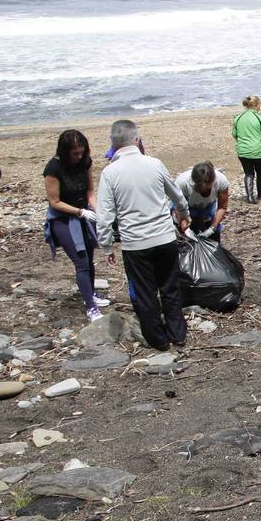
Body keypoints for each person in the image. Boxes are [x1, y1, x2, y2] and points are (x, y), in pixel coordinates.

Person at [97, 119, 191, 351]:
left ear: (113, 143)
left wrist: (106, 246)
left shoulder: (109, 173)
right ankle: (177, 333)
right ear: (137, 140)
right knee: (169, 286)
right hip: (163, 237)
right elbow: (177, 195)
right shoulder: (154, 163)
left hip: (135, 243)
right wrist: (184, 214)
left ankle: (159, 340)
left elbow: (105, 215)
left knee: (145, 292)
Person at [44, 129, 110, 321]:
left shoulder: (85, 163)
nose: (79, 156)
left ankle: (91, 294)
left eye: (81, 152)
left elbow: (90, 190)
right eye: (75, 153)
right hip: (63, 218)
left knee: (89, 258)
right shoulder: (53, 169)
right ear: (65, 152)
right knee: (81, 262)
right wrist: (79, 211)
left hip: (84, 214)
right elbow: (54, 202)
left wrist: (96, 210)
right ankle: (90, 307)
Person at [232, 95, 261, 203]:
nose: (260, 107)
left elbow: (234, 134)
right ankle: (260, 194)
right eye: (260, 105)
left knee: (248, 173)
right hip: (257, 150)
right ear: (256, 105)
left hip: (242, 150)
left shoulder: (238, 117)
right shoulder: (259, 117)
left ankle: (250, 197)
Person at [174, 161, 230, 240]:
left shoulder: (220, 180)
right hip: (186, 208)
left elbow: (222, 207)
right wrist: (185, 226)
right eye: (200, 187)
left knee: (213, 238)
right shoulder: (182, 183)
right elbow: (178, 207)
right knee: (185, 240)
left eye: (207, 187)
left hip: (209, 208)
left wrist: (211, 229)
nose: (204, 190)